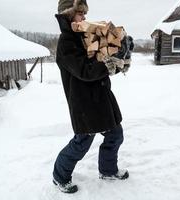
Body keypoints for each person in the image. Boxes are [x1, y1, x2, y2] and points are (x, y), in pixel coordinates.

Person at [53, 0, 133, 194]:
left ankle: (108, 170)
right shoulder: (67, 42)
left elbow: (102, 59)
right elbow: (85, 71)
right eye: (80, 13)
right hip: (84, 103)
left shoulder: (86, 35)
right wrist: (109, 63)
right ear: (68, 15)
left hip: (101, 97)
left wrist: (120, 51)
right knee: (81, 143)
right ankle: (60, 176)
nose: (84, 17)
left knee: (115, 134)